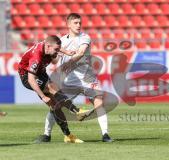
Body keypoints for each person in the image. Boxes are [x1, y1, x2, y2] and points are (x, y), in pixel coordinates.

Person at [36, 13, 113, 143]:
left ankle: (105, 134)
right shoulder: (61, 41)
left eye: (80, 23)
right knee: (55, 105)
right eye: (75, 23)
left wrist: (68, 64)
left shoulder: (85, 37)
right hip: (68, 81)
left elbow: (81, 52)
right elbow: (54, 60)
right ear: (68, 24)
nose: (78, 25)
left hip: (87, 78)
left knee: (98, 100)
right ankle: (46, 134)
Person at [18, 35, 85, 143]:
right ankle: (76, 111)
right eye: (56, 50)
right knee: (52, 87)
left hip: (41, 73)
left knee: (55, 106)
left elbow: (54, 46)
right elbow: (31, 79)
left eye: (59, 49)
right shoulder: (37, 56)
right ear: (48, 46)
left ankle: (68, 136)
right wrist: (43, 96)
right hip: (27, 76)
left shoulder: (48, 46)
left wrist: (66, 51)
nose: (58, 52)